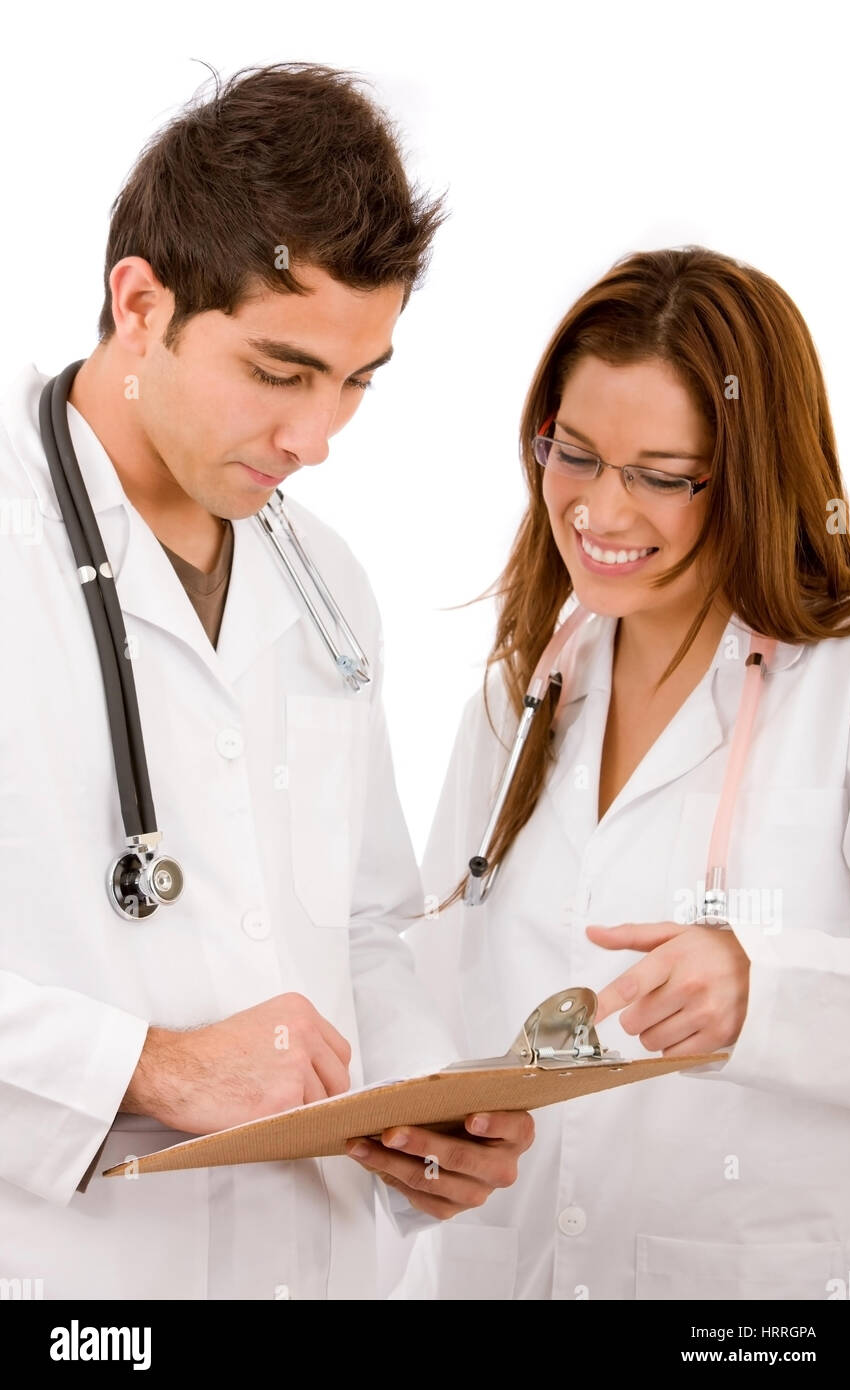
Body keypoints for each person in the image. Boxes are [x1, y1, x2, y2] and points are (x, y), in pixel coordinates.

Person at [0, 61, 532, 1302]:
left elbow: (359, 926)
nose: (318, 438)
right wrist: (144, 1067)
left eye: (357, 380)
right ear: (140, 304)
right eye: (281, 372)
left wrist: (425, 1109)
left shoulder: (326, 583)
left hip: (316, 1268)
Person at [397, 246, 850, 1301]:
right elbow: (425, 986)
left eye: (659, 475)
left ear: (753, 475)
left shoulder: (845, 685)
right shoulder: (521, 695)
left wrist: (763, 992)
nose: (600, 513)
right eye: (573, 454)